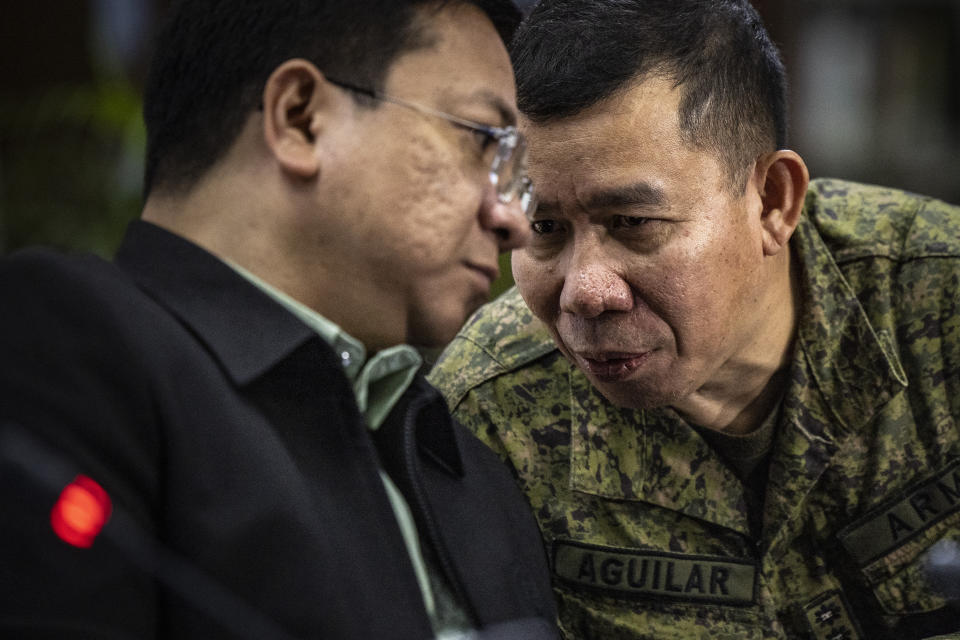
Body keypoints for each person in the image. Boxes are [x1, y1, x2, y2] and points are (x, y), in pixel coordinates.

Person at [0, 0, 560, 638]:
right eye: (484, 141)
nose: (512, 220)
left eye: (516, 177)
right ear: (301, 117)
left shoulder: (458, 456)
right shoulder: (67, 351)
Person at [428, 0, 960, 638]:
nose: (585, 293)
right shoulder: (489, 415)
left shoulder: (936, 296)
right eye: (544, 229)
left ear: (771, 202)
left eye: (634, 224)